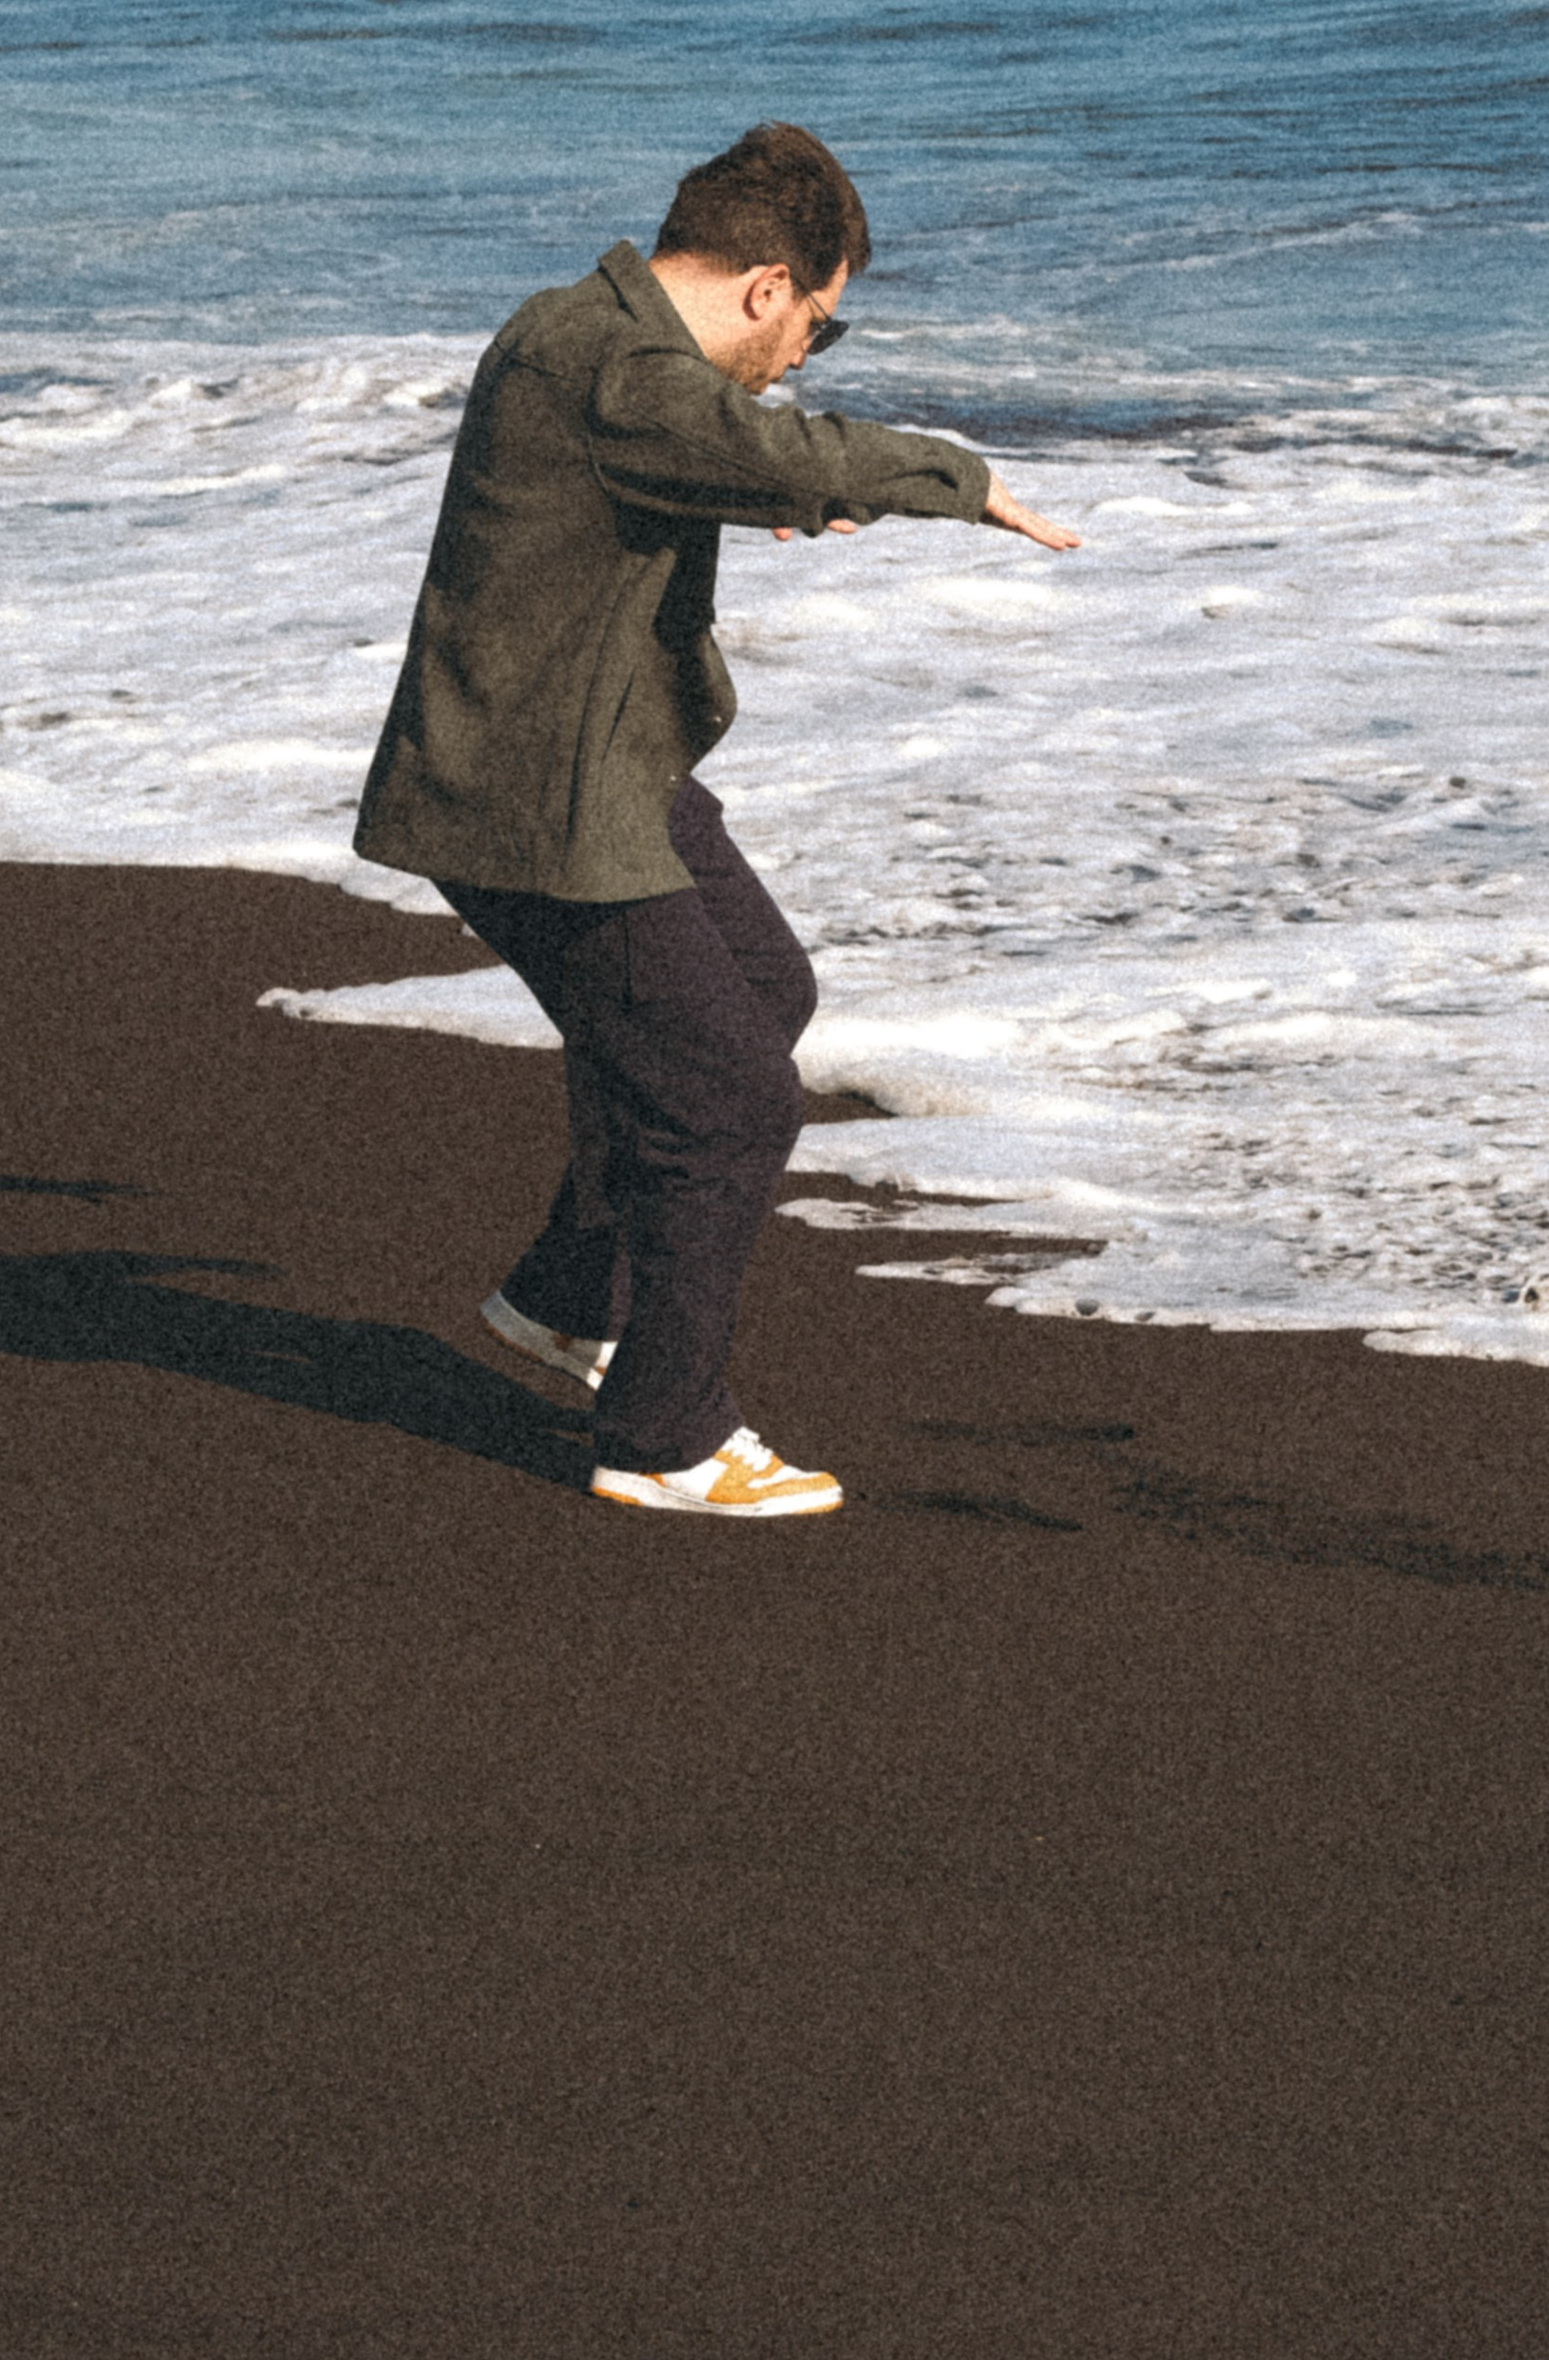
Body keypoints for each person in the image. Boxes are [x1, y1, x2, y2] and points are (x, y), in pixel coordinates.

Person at [352, 122, 1078, 1521]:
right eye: (821, 322)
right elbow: (764, 443)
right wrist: (957, 481)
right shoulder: (612, 364)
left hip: (598, 767)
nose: (808, 354)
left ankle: (571, 1292)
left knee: (761, 989)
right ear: (764, 287)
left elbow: (698, 457)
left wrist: (759, 482)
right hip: (534, 802)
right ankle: (667, 1436)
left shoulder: (592, 341)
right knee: (734, 1101)